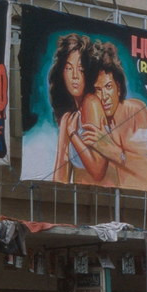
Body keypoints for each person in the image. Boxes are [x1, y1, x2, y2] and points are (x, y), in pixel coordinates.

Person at [79, 41, 147, 188]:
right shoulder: (94, 120)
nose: (104, 96)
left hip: (142, 197)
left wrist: (115, 153)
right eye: (98, 90)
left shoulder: (135, 111)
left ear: (118, 87)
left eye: (108, 87)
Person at [47, 33, 107, 183]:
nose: (75, 75)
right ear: (61, 72)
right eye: (69, 68)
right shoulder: (67, 118)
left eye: (81, 69)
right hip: (78, 195)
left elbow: (98, 171)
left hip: (109, 196)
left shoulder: (91, 103)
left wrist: (73, 135)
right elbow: (60, 173)